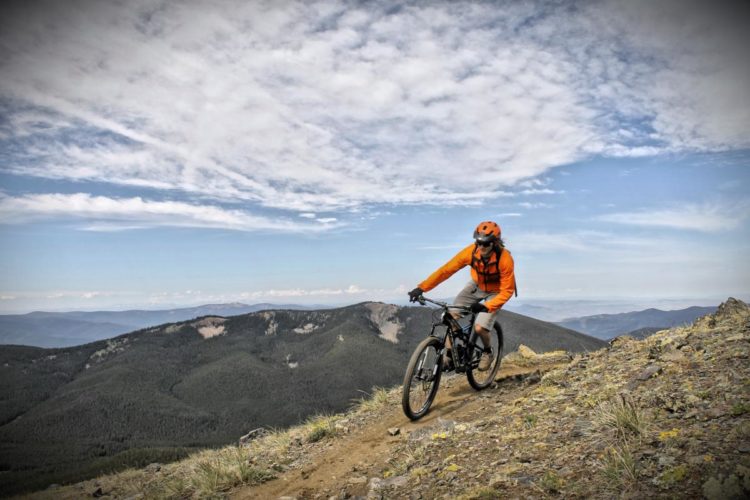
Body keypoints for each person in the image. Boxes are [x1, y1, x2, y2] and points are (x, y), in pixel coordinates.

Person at [408, 221, 516, 371]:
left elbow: (507, 291)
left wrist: (486, 306)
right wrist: (421, 288)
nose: (481, 247)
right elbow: (446, 270)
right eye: (478, 243)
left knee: (480, 328)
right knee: (450, 316)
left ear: (495, 243)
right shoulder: (470, 252)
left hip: (496, 291)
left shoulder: (505, 259)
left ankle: (487, 352)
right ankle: (451, 356)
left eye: (486, 244)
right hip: (477, 285)